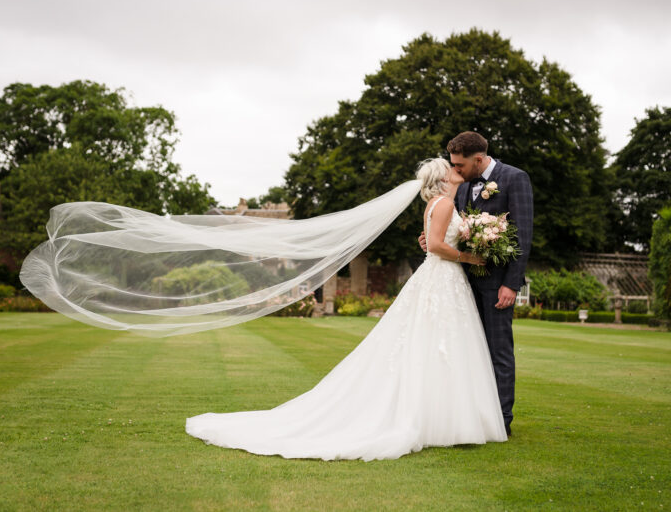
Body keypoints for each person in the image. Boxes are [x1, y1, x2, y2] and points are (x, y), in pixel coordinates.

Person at [185, 158, 508, 460]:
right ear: (443, 178)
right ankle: (440, 419)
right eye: (451, 169)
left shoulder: (437, 203)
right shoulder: (445, 203)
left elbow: (433, 240)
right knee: (438, 342)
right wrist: (469, 256)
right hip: (441, 277)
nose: (457, 171)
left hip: (443, 279)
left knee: (438, 344)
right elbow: (436, 245)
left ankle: (444, 417)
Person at [419, 132, 534, 436]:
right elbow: (453, 229)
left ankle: (501, 421)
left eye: (459, 165)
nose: (455, 170)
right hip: (459, 282)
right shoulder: (461, 185)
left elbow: (522, 234)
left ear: (478, 160)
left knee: (498, 352)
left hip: (497, 284)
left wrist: (512, 283)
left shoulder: (514, 179)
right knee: (467, 352)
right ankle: (472, 417)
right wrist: (432, 239)